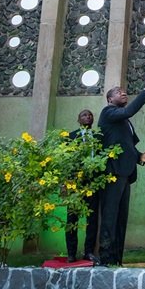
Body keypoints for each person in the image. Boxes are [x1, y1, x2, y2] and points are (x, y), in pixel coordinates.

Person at [96, 78, 145, 266]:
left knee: (121, 219)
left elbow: (127, 146)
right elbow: (130, 110)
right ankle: (105, 259)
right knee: (110, 216)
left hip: (125, 174)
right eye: (118, 91)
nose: (123, 93)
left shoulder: (125, 122)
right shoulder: (108, 113)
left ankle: (117, 259)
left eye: (124, 91)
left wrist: (140, 157)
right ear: (109, 99)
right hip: (112, 173)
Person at [65, 109, 100, 263]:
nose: (88, 117)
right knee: (72, 218)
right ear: (78, 120)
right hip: (75, 182)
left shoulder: (98, 137)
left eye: (90, 115)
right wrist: (66, 182)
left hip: (93, 182)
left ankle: (89, 252)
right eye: (84, 115)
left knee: (92, 218)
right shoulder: (71, 137)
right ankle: (71, 253)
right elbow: (65, 160)